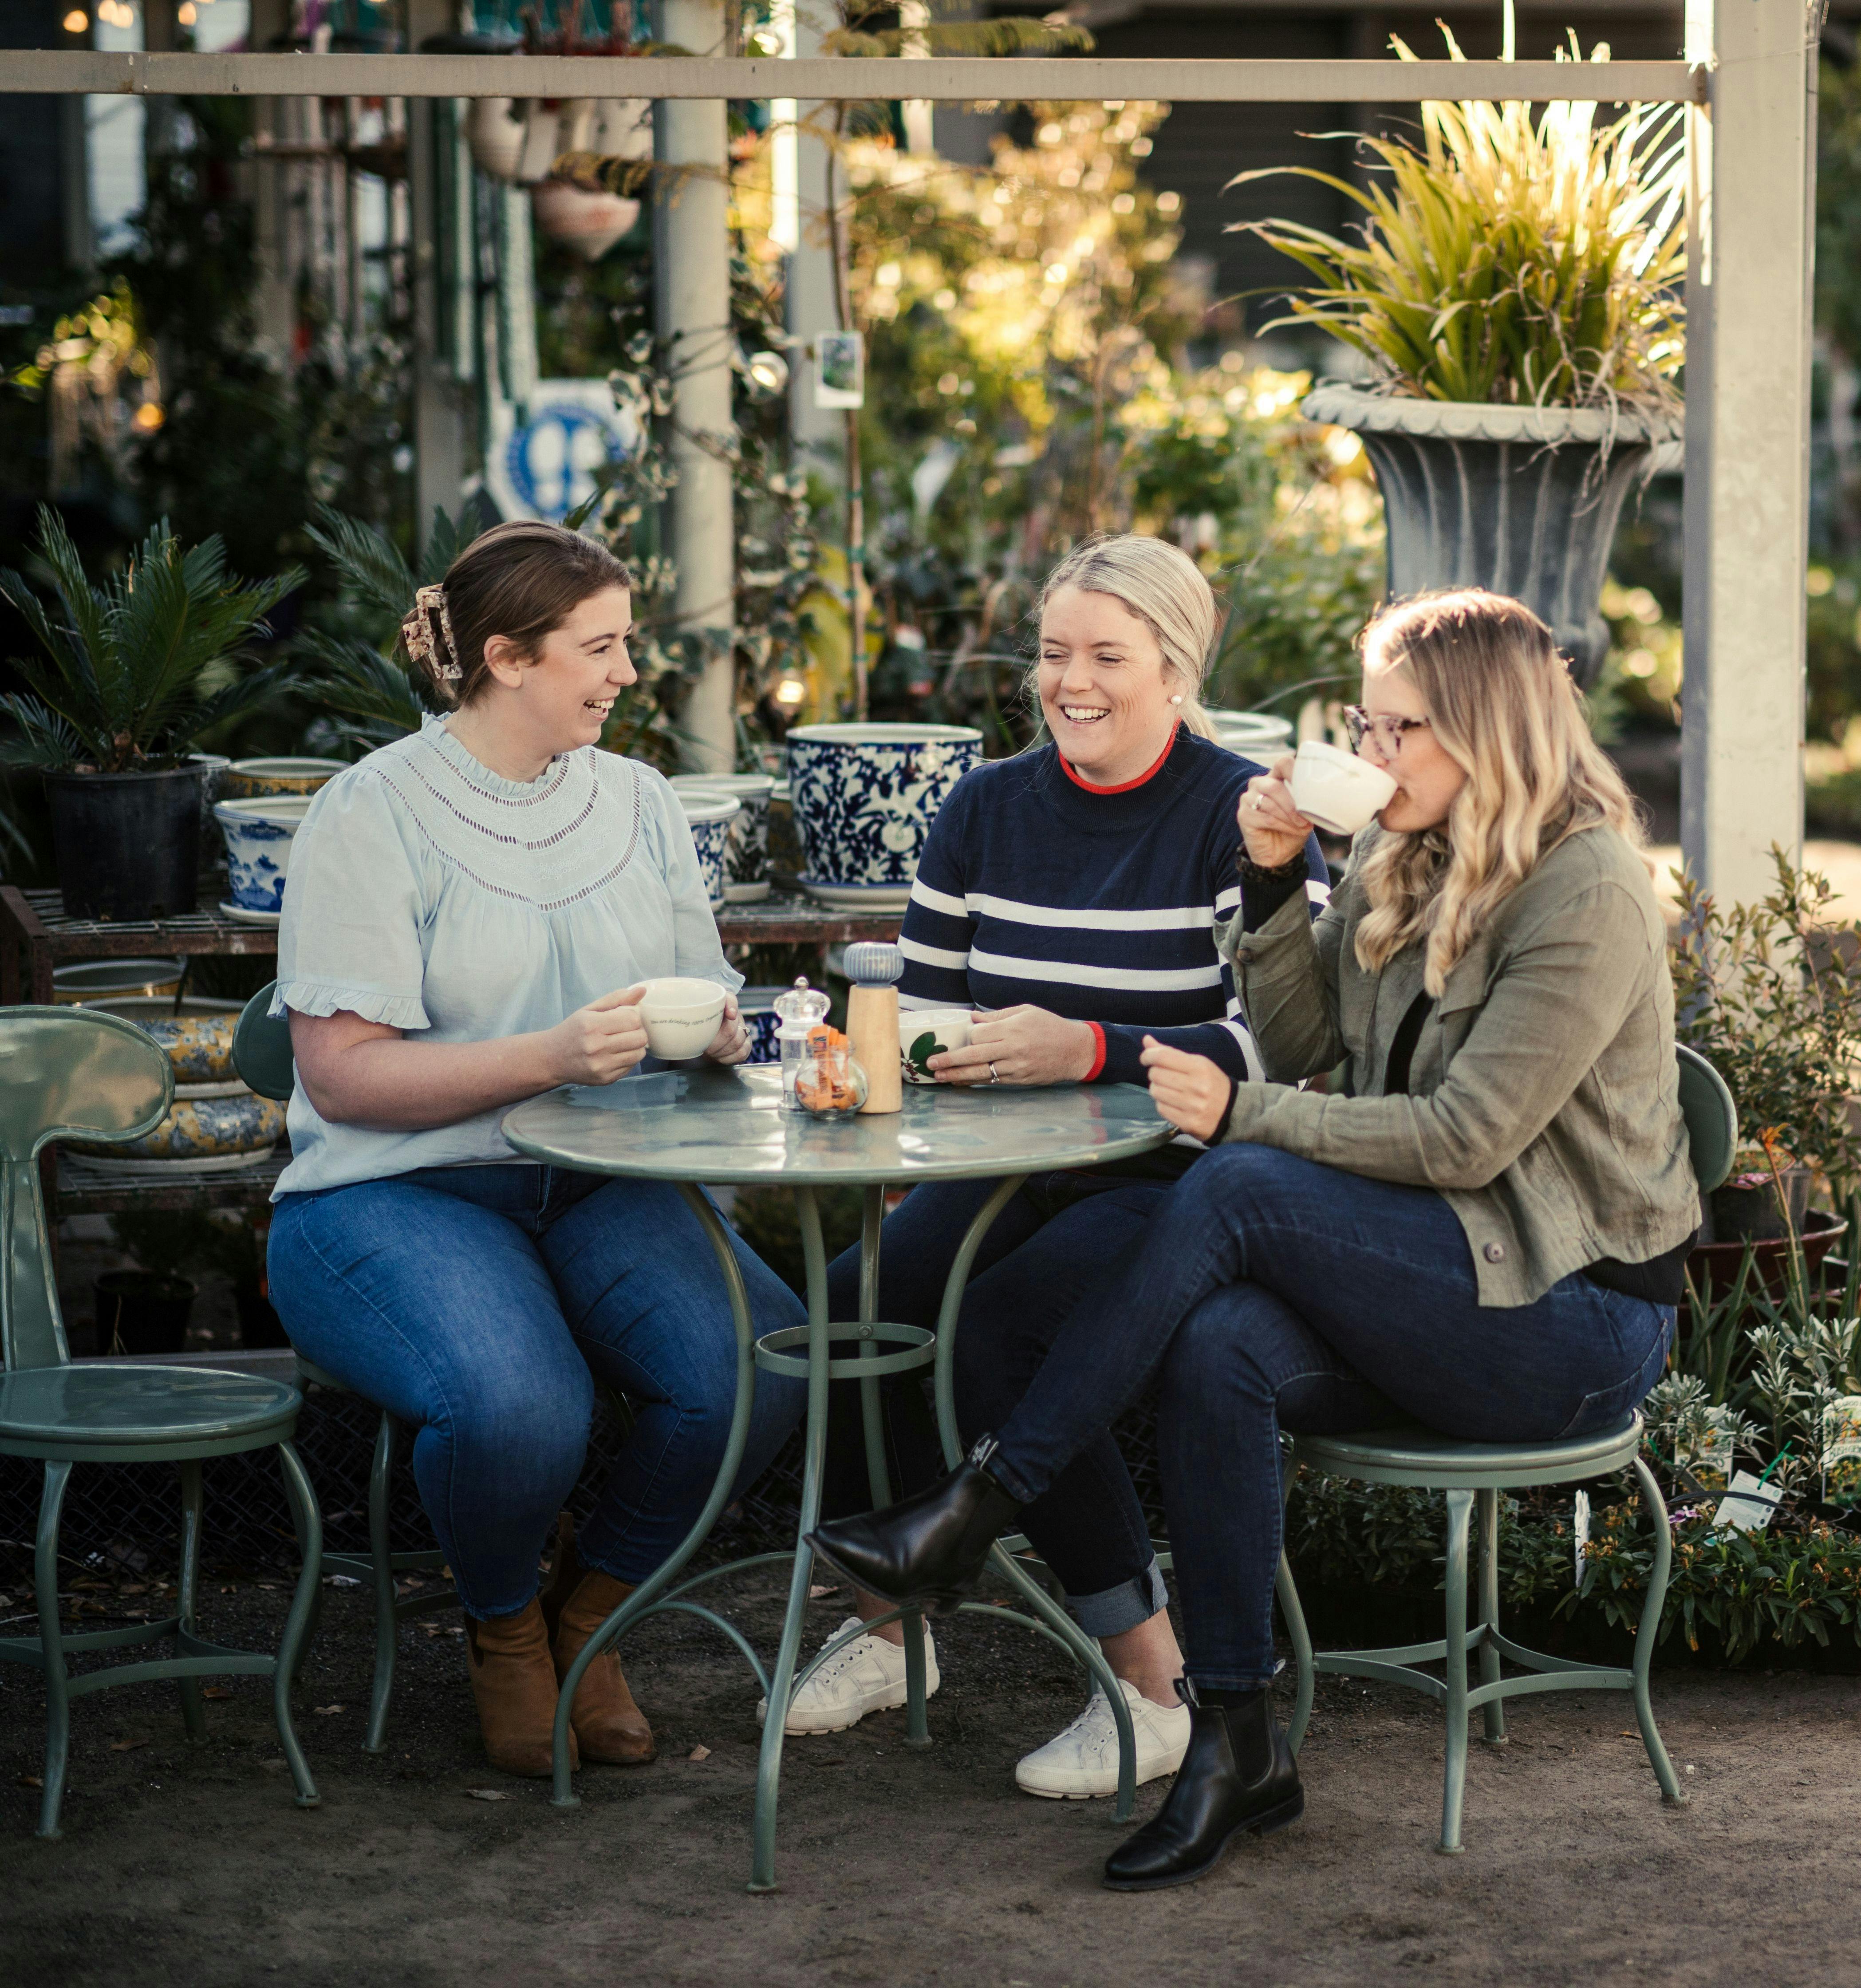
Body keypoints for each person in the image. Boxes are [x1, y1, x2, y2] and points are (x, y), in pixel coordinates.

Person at [808, 588, 1703, 1890]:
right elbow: (1308, 1041)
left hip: (1568, 1319)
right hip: (1443, 1270)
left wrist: (1243, 1115)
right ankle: (1235, 1739)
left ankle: (976, 1504)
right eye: (1365, 721)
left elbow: (1460, 1140)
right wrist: (1275, 880)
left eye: (1398, 728)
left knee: (1232, 1185)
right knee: (1219, 1343)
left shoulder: (1588, 887)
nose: (1370, 749)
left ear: (1489, 734)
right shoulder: (1413, 849)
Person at [771, 534, 1326, 1808]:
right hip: (1003, 1163)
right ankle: (891, 1633)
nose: (1069, 681)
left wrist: (1093, 1048)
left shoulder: (1240, 816)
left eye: (1107, 657)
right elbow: (919, 1010)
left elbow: (1286, 1042)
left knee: (1005, 1339)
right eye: (1053, 652)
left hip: (1176, 1183)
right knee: (848, 1318)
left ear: (1177, 672)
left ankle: (1156, 1685)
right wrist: (892, 1059)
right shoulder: (985, 808)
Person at [265, 521, 804, 1779]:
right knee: (518, 1406)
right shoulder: (372, 812)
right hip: (393, 1191)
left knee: (762, 1366)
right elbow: (341, 1077)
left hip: (606, 1175)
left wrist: (719, 1032)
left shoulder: (638, 798)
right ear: (506, 657)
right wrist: (551, 1057)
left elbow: (693, 989)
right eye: (601, 647)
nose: (627, 672)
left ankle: (593, 1612)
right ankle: (505, 1626)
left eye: (628, 644)